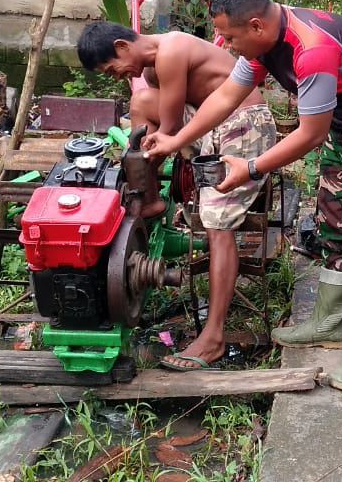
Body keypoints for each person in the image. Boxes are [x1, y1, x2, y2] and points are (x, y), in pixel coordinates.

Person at [144, 0, 342, 392]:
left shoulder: (312, 49)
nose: (226, 45)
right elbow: (224, 98)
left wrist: (251, 167)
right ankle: (329, 324)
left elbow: (309, 133)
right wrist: (175, 140)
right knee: (335, 221)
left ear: (255, 26)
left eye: (231, 37)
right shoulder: (265, 41)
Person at [77, 21, 276, 371]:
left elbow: (169, 131)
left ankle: (212, 338)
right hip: (213, 121)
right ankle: (151, 200)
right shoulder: (152, 70)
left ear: (123, 46)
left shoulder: (169, 52)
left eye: (112, 68)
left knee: (217, 225)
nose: (114, 76)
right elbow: (160, 124)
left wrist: (146, 153)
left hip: (245, 125)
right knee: (141, 102)